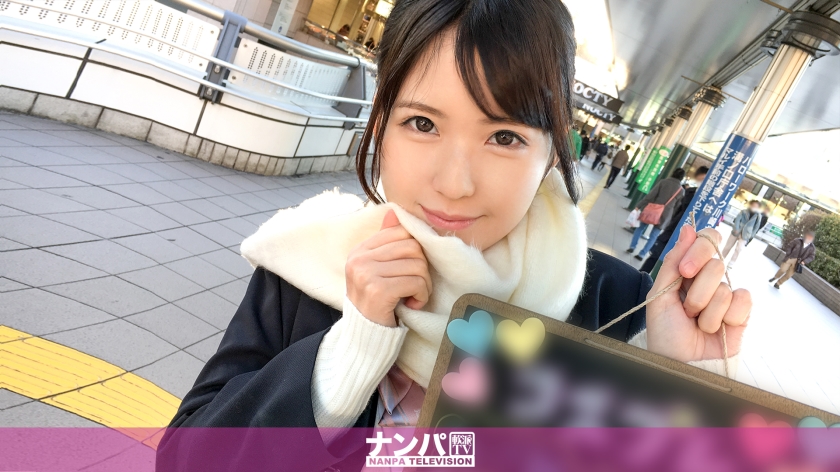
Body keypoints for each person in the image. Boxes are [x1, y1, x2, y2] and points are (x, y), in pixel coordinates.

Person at [158, 2, 748, 470]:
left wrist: (676, 385)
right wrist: (347, 360)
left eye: (504, 137)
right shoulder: (311, 263)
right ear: (381, 124)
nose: (454, 184)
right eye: (422, 123)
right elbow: (185, 459)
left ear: (552, 154)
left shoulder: (619, 308)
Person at [639, 166, 709, 273]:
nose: (703, 181)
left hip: (689, 237)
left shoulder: (710, 201)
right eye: (702, 178)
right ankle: (641, 275)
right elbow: (679, 210)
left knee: (672, 265)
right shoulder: (689, 192)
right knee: (655, 255)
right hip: (673, 230)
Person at [627, 168, 686, 261]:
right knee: (654, 236)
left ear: (673, 173)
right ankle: (642, 254)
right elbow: (677, 207)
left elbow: (650, 196)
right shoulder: (681, 190)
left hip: (652, 210)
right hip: (665, 215)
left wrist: (639, 205)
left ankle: (632, 247)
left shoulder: (663, 182)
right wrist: (670, 219)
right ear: (682, 178)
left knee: (640, 228)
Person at [721, 200, 762, 270]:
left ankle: (730, 264)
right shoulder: (743, 211)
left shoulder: (758, 216)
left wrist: (751, 235)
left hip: (746, 235)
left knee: (738, 250)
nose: (754, 207)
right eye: (753, 205)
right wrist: (736, 228)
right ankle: (721, 259)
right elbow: (737, 220)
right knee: (728, 246)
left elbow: (756, 227)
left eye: (756, 206)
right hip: (736, 231)